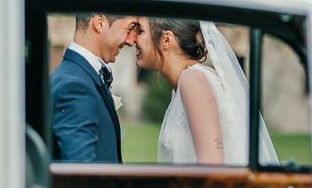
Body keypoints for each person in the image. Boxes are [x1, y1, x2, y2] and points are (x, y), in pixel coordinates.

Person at [135, 17, 278, 165]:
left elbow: (212, 164)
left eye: (140, 31)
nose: (133, 39)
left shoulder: (192, 80)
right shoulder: (187, 82)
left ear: (166, 40)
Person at [51, 13, 139, 162]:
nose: (131, 41)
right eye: (130, 28)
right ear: (99, 23)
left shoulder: (76, 75)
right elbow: (82, 173)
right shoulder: (75, 86)